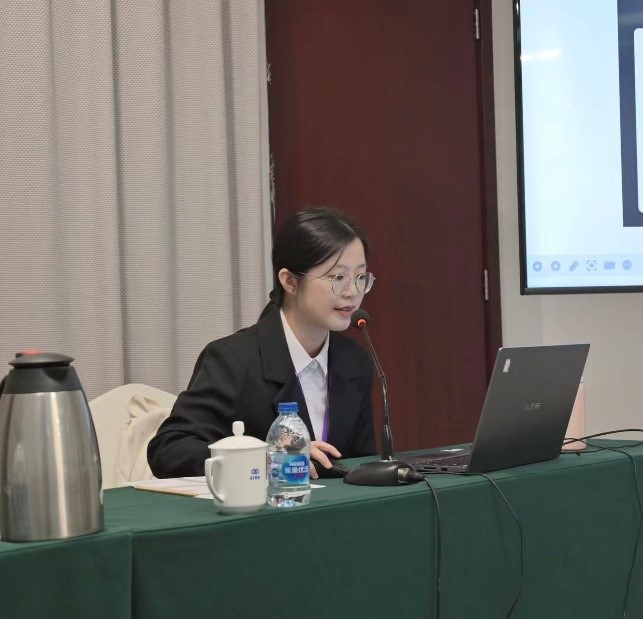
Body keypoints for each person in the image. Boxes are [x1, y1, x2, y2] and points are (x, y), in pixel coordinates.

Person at [147, 207, 376, 478]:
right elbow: (169, 450)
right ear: (290, 281)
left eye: (360, 277)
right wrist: (265, 459)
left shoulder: (355, 362)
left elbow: (362, 465)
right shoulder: (233, 359)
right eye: (338, 278)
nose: (352, 292)